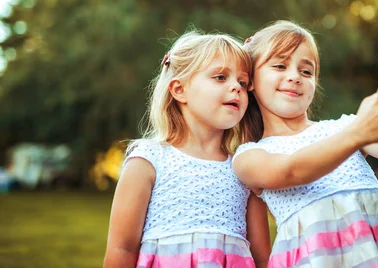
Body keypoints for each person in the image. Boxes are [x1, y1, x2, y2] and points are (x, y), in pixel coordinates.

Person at [233, 20, 378, 267]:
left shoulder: (345, 127)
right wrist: (358, 133)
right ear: (250, 80)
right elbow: (291, 170)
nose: (295, 77)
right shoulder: (249, 156)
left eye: (306, 71)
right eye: (280, 65)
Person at [104, 31, 271, 268]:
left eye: (243, 82)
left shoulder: (244, 168)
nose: (236, 87)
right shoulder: (149, 160)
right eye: (221, 77)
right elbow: (122, 248)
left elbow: (263, 258)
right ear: (179, 90)